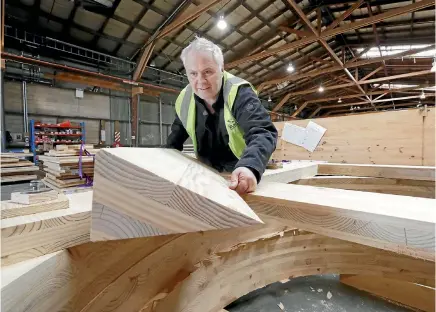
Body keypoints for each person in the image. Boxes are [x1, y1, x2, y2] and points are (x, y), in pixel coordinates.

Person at [166, 36, 278, 195]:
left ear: (221, 68)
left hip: (238, 175)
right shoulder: (184, 100)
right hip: (207, 178)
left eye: (208, 72)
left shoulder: (239, 93)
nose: (201, 81)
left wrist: (250, 166)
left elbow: (263, 132)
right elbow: (173, 143)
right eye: (193, 73)